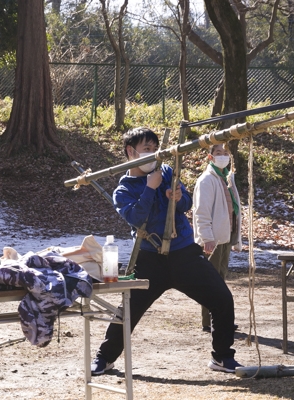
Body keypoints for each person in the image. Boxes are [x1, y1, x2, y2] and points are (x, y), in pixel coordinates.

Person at [90, 127, 242, 375]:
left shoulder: (168, 171)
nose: (152, 155)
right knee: (128, 310)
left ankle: (222, 357)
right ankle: (104, 357)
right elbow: (137, 219)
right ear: (131, 152)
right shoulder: (124, 190)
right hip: (150, 260)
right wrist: (150, 188)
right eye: (146, 150)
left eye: (154, 149)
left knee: (222, 299)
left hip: (184, 254)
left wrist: (178, 196)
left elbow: (186, 204)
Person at [193, 144, 242, 332]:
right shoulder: (207, 180)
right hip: (212, 240)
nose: (222, 156)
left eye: (225, 153)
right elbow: (201, 212)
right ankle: (209, 321)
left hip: (224, 237)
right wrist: (207, 237)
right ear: (210, 157)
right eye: (218, 153)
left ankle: (221, 318)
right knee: (210, 280)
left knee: (220, 279)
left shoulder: (226, 178)